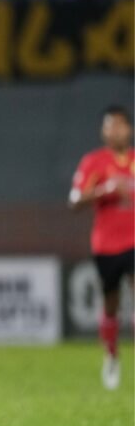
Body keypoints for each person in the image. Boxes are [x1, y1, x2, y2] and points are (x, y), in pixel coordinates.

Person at [68, 105, 134, 390]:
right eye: (110, 126)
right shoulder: (94, 162)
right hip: (107, 245)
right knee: (111, 304)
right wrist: (103, 191)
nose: (115, 131)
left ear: (129, 129)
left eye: (120, 125)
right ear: (103, 131)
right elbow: (74, 201)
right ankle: (111, 355)